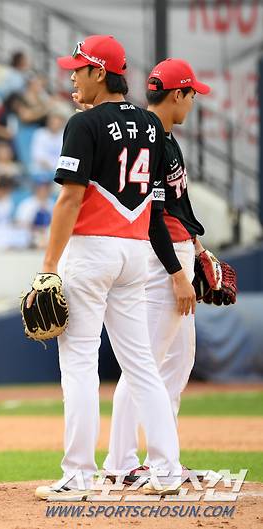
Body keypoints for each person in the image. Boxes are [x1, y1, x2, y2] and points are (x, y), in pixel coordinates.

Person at [28, 35, 185, 500]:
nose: (72, 75)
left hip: (92, 249)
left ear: (100, 72)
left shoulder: (84, 123)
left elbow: (70, 197)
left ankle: (78, 476)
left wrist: (48, 265)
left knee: (79, 365)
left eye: (79, 68)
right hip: (136, 251)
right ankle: (168, 471)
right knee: (141, 366)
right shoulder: (154, 126)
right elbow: (154, 200)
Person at [104, 58, 210, 483]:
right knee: (142, 364)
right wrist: (176, 272)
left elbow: (179, 206)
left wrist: (198, 247)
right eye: (191, 94)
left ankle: (162, 457)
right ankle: (121, 462)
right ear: (177, 94)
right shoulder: (152, 139)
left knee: (179, 362)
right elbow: (152, 215)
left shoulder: (167, 137)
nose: (193, 102)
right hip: (160, 258)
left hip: (180, 248)